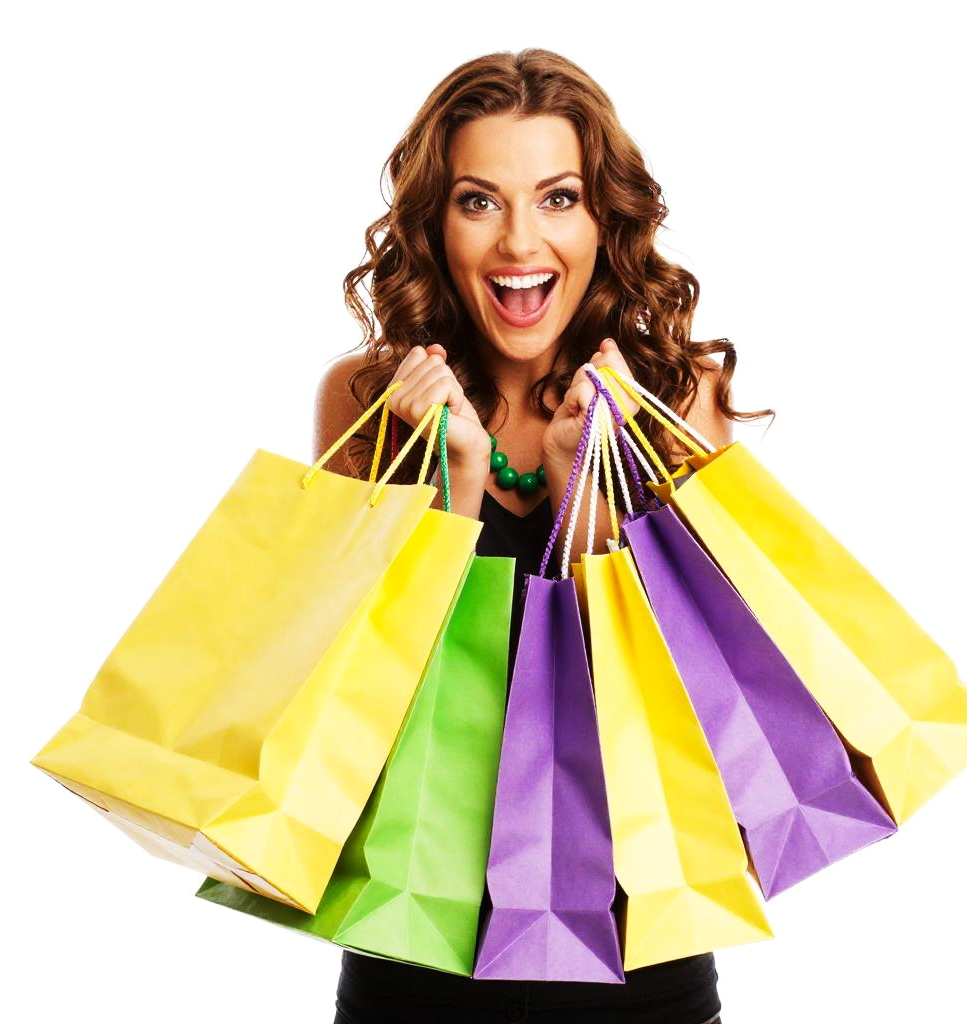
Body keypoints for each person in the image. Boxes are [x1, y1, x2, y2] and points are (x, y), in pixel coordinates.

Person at [314, 47, 770, 1024]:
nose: (521, 241)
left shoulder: (679, 395)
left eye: (556, 197)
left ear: (604, 217)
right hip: (413, 958)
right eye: (479, 200)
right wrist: (459, 495)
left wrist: (582, 502)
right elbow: (339, 716)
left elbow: (715, 720)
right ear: (435, 222)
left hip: (637, 959)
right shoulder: (367, 401)